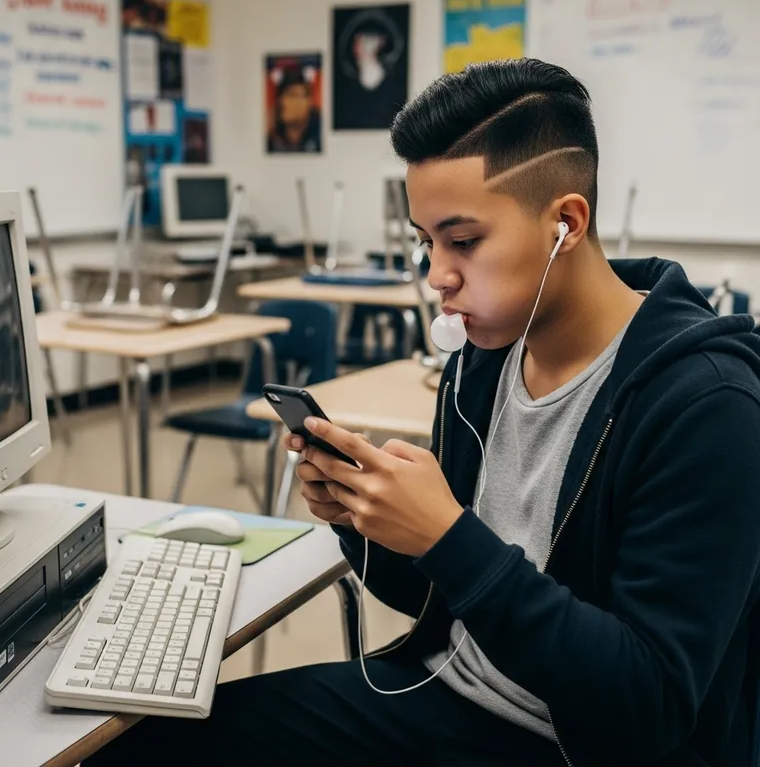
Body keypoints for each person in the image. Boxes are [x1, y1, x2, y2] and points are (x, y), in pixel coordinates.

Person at [87, 59, 760, 766]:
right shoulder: (484, 356)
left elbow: (646, 708)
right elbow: (431, 598)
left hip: (582, 747)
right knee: (135, 747)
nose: (437, 274)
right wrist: (362, 516)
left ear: (565, 223)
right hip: (444, 695)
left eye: (463, 241)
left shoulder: (710, 407)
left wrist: (448, 538)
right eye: (425, 240)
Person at [267, 66, 322, 153]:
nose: (285, 103)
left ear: (309, 102)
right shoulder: (271, 141)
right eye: (282, 97)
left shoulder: (320, 138)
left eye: (293, 95)